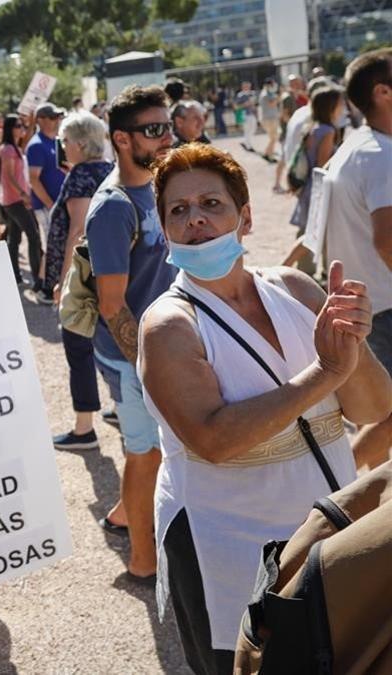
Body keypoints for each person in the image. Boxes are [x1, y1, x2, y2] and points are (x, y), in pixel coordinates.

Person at [139, 143, 391, 673]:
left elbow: (373, 408)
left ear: (245, 217)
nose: (195, 218)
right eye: (178, 210)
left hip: (328, 536)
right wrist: (325, 373)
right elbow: (214, 439)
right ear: (165, 231)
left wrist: (354, 341)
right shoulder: (169, 325)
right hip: (228, 544)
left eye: (211, 203)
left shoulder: (294, 288)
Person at [85, 85, 176, 579]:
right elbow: (112, 304)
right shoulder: (113, 207)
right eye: (155, 129)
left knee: (154, 448)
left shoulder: (158, 184)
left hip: (159, 345)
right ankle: (143, 563)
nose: (168, 138)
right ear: (122, 139)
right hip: (130, 355)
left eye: (169, 126)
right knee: (146, 454)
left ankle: (124, 514)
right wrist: (148, 366)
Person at [324, 48, 392, 470]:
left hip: (368, 303)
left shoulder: (358, 147)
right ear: (383, 92)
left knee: (382, 413)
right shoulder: (381, 155)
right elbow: (388, 240)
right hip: (383, 306)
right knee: (386, 417)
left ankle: (352, 490)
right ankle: (336, 488)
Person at [45, 112, 115, 448]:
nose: (62, 146)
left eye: (66, 141)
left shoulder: (81, 176)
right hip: (108, 270)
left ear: (81, 144)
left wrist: (65, 282)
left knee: (78, 344)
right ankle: (120, 406)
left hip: (84, 276)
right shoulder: (109, 170)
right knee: (110, 340)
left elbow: (78, 230)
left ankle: (84, 427)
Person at [289, 86, 345, 236]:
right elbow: (322, 164)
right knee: (313, 235)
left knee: (308, 232)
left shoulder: (313, 127)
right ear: (331, 107)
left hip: (309, 185)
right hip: (319, 188)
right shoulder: (328, 131)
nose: (343, 107)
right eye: (340, 103)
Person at [0, 115, 45, 293]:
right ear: (10, 128)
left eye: (21, 125)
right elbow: (9, 176)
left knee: (14, 239)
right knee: (33, 236)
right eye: (18, 126)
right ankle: (37, 279)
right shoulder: (8, 149)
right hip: (15, 200)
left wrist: (32, 122)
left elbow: (27, 138)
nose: (21, 129)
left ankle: (15, 276)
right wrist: (23, 194)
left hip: (14, 199)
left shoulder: (15, 148)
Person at [27, 103, 69, 239]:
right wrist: (51, 205)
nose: (57, 120)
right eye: (52, 117)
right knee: (53, 245)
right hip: (47, 206)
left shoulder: (56, 141)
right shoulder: (37, 145)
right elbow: (34, 179)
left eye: (57, 117)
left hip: (59, 204)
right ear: (40, 120)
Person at [259, 78, 282, 161]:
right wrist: (280, 95)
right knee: (274, 138)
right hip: (269, 119)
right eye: (272, 85)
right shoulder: (266, 94)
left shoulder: (268, 93)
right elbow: (272, 104)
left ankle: (268, 154)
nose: (273, 86)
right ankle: (267, 154)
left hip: (270, 118)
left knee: (273, 138)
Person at [235, 81, 258, 151]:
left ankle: (245, 142)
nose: (248, 88)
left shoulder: (252, 94)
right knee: (247, 130)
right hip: (244, 115)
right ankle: (248, 146)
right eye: (246, 86)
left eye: (249, 86)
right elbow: (236, 107)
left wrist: (254, 107)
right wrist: (245, 104)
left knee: (253, 129)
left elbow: (254, 104)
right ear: (243, 87)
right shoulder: (240, 95)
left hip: (252, 114)